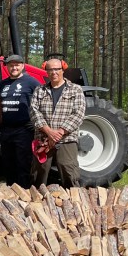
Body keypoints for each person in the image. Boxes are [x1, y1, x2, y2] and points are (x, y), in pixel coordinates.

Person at [30, 57, 86, 188]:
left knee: (69, 171)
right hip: (43, 138)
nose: (54, 72)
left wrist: (59, 133)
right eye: (50, 69)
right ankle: (37, 203)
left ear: (63, 70)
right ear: (46, 71)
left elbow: (78, 114)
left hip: (67, 138)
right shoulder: (39, 90)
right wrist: (48, 132)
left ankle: (73, 202)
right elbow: (34, 112)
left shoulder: (75, 89)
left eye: (57, 69)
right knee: (39, 172)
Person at [0, 54, 41, 187]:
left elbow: (42, 102)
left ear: (22, 66)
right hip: (6, 130)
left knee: (23, 164)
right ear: (7, 67)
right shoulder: (3, 84)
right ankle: (11, 193)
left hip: (24, 129)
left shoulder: (32, 82)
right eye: (11, 65)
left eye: (17, 65)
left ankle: (25, 193)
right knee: (8, 164)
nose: (14, 67)